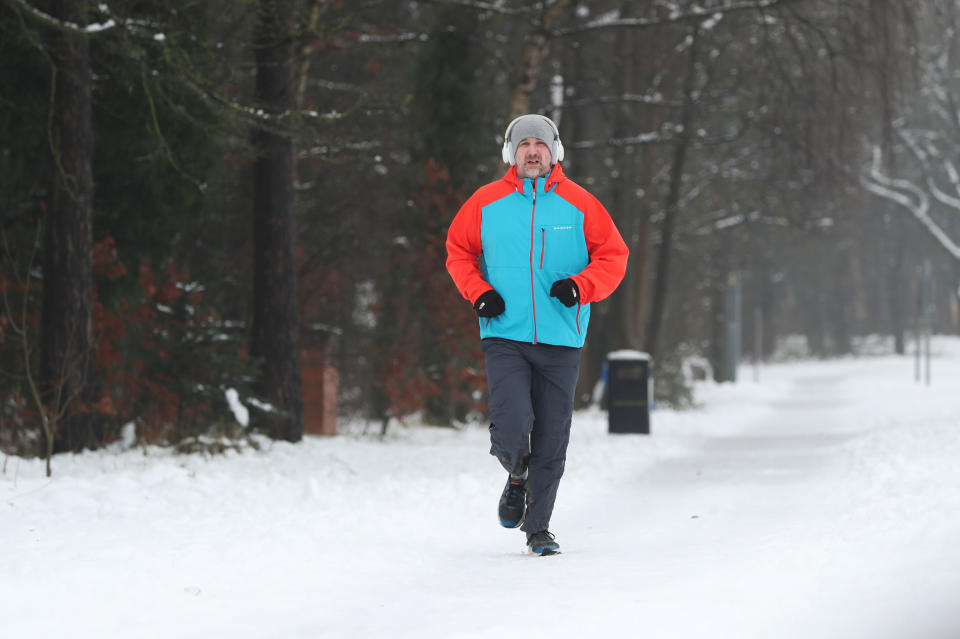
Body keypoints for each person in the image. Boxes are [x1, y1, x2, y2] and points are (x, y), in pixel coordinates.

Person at [445, 113, 629, 555]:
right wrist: (480, 293)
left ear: (554, 152)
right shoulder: (485, 202)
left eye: (540, 145)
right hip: (504, 334)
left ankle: (538, 528)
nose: (532, 151)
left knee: (552, 436)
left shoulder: (581, 204)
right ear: (511, 153)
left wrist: (580, 287)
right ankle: (516, 474)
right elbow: (458, 253)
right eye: (524, 144)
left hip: (561, 339)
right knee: (511, 426)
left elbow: (613, 256)